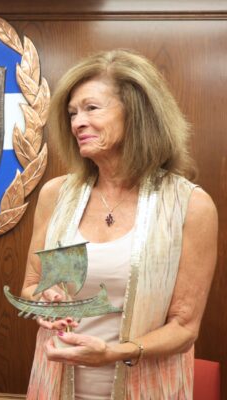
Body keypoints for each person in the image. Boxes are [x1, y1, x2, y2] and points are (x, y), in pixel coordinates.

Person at [21, 49, 217, 399]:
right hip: (54, 387)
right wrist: (44, 302)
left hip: (147, 388)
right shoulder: (57, 195)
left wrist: (114, 354)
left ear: (137, 113)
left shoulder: (190, 205)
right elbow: (32, 285)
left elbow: (184, 327)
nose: (77, 123)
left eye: (91, 108)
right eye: (72, 113)